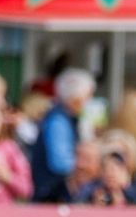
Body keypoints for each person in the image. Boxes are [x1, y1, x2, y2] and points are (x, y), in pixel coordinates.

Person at [29, 67, 93, 201]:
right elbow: (60, 163)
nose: (89, 101)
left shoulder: (63, 117)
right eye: (88, 95)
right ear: (77, 98)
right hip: (51, 195)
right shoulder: (58, 121)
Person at [77, 132, 136, 207]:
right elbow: (76, 210)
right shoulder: (91, 188)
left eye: (119, 158)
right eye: (109, 155)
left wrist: (127, 191)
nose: (113, 166)